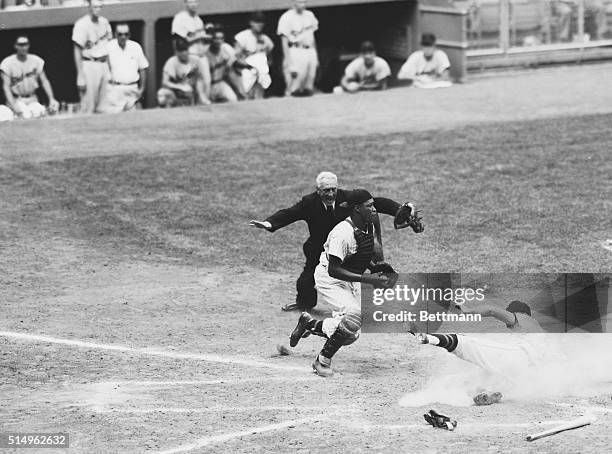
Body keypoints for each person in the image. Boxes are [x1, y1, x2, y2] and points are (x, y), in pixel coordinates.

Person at [249, 171, 412, 312]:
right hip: (319, 247)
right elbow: (289, 213)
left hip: (346, 245)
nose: (330, 194)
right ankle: (304, 304)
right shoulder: (309, 202)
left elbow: (375, 202)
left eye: (333, 189)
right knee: (307, 279)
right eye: (326, 190)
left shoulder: (347, 198)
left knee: (358, 269)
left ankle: (369, 301)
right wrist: (269, 223)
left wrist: (399, 209)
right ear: (318, 191)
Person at [289, 190, 395, 377]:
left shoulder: (367, 224)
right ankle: (322, 361)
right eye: (369, 205)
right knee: (354, 316)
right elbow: (334, 269)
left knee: (350, 335)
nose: (374, 209)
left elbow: (358, 254)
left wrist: (375, 268)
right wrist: (369, 279)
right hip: (330, 279)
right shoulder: (342, 233)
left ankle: (309, 324)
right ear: (357, 208)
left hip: (350, 279)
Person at [412, 300, 552, 405]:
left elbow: (492, 310)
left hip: (519, 357)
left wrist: (468, 311)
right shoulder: (542, 334)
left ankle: (428, 338)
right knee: (494, 374)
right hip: (529, 375)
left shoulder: (522, 318)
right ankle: (490, 393)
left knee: (469, 344)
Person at [0, 35, 58, 119]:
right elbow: (6, 87)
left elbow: (44, 81)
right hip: (17, 99)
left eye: (25, 44)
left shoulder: (36, 60)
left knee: (41, 113)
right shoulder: (7, 63)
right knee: (24, 115)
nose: (23, 47)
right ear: (15, 46)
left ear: (28, 45)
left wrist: (52, 98)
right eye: (20, 44)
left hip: (32, 99)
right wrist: (13, 104)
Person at [72, 0, 112, 114]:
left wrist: (110, 69)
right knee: (88, 106)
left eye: (99, 7)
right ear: (89, 7)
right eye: (94, 6)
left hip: (103, 63)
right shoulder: (82, 24)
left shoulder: (105, 22)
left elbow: (107, 47)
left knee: (104, 106)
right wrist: (80, 76)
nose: (97, 9)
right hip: (89, 64)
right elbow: (76, 50)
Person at [102, 23, 149, 113]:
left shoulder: (136, 46)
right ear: (115, 35)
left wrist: (142, 89)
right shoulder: (108, 47)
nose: (123, 37)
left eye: (126, 34)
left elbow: (143, 68)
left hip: (132, 89)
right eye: (120, 34)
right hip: (115, 90)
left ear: (129, 35)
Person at [277, 0, 319, 96]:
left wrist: (316, 56)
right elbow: (284, 42)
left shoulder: (309, 15)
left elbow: (312, 37)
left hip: (310, 50)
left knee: (309, 84)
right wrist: (289, 63)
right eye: (300, 2)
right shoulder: (286, 17)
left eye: (304, 2)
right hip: (295, 50)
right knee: (294, 86)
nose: (302, 4)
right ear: (294, 2)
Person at [171, 0, 212, 95]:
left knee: (206, 82)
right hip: (189, 56)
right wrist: (200, 36)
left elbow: (201, 39)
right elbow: (181, 40)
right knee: (190, 85)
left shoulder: (198, 19)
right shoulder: (180, 18)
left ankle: (205, 107)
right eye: (190, 2)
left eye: (195, 1)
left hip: (201, 55)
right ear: (185, 3)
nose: (193, 4)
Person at [157, 39, 210, 107]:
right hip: (177, 93)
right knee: (162, 93)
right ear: (176, 52)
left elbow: (200, 79)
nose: (184, 53)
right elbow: (164, 82)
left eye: (185, 50)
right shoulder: (171, 62)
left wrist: (202, 95)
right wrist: (180, 87)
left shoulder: (196, 60)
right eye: (181, 51)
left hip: (191, 93)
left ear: (188, 49)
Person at [234, 11, 275, 99]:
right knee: (245, 96)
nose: (259, 24)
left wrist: (263, 67)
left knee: (259, 96)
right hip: (245, 70)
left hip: (260, 72)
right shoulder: (242, 36)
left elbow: (270, 59)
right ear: (251, 23)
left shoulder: (266, 39)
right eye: (257, 22)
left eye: (261, 22)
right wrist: (250, 65)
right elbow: (236, 58)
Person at [205, 26, 247, 103]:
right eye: (216, 38)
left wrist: (247, 65)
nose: (218, 41)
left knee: (233, 99)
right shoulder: (205, 54)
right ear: (211, 39)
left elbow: (235, 63)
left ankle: (242, 95)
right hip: (208, 85)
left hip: (220, 83)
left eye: (221, 38)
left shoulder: (226, 48)